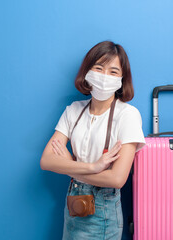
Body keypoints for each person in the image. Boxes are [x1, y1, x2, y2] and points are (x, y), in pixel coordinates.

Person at [40, 41, 146, 240]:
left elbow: (116, 179)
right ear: (87, 72)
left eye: (113, 72)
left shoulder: (128, 115)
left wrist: (70, 165)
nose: (104, 77)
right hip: (73, 204)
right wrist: (93, 167)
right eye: (98, 68)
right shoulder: (73, 110)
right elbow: (46, 161)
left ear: (122, 79)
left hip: (102, 212)